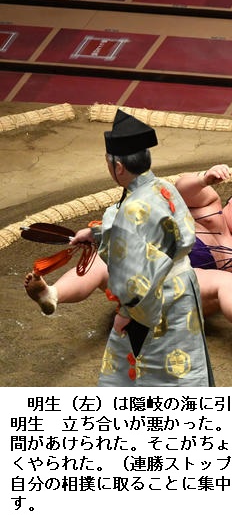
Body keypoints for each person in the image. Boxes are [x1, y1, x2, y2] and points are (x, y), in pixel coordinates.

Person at [39, 109, 214, 386]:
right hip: (182, 288)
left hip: (153, 300)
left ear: (119, 167)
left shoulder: (131, 209)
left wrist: (128, 314)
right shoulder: (163, 187)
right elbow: (150, 229)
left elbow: (134, 277)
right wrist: (97, 234)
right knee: (184, 366)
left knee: (150, 371)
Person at [24, 164, 232, 341]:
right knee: (106, 260)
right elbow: (181, 188)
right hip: (144, 273)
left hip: (178, 295)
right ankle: (52, 294)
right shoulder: (209, 204)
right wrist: (204, 178)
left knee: (227, 280)